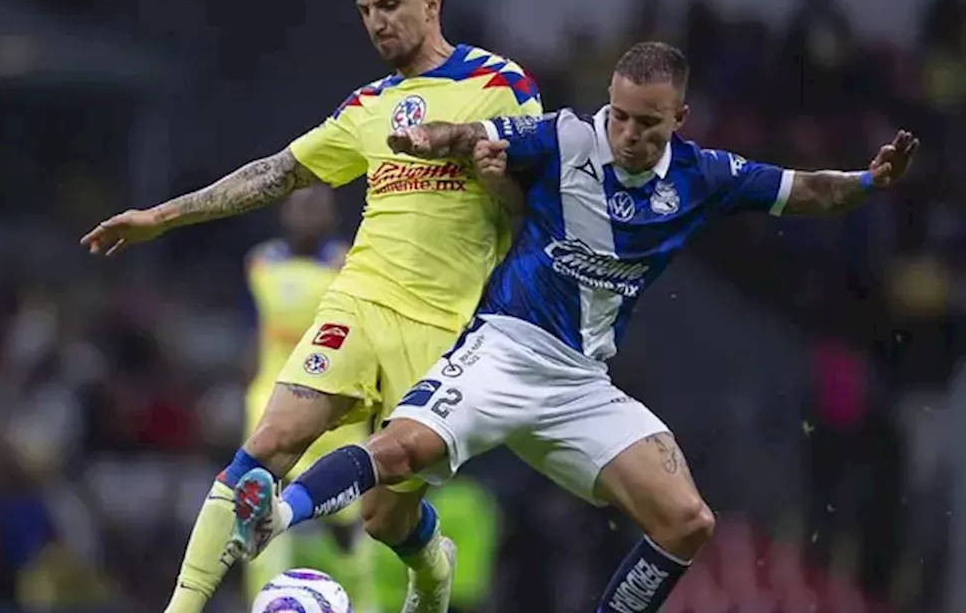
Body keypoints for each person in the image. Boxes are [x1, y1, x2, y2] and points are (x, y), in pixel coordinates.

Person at [230, 41, 919, 613]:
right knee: (394, 475)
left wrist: (868, 181)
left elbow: (807, 190)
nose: (627, 133)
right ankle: (277, 514)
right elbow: (475, 135)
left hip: (582, 383)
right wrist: (431, 137)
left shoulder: (705, 176)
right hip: (504, 347)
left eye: (647, 123)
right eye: (618, 115)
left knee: (688, 522)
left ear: (679, 117)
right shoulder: (565, 136)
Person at [80, 0, 544, 613]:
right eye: (364, 11)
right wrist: (162, 216)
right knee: (266, 446)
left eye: (389, 5)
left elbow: (534, 199)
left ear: (432, 4)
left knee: (385, 519)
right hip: (359, 299)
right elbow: (277, 172)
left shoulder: (501, 85)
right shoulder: (367, 106)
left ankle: (433, 567)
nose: (376, 23)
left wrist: (480, 157)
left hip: (448, 328)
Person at [241, 185, 378, 611]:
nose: (308, 217)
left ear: (332, 217)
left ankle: (363, 603)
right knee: (258, 520)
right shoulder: (261, 263)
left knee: (348, 530)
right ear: (284, 214)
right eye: (300, 207)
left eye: (317, 208)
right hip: (271, 404)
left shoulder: (352, 266)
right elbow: (259, 332)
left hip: (335, 414)